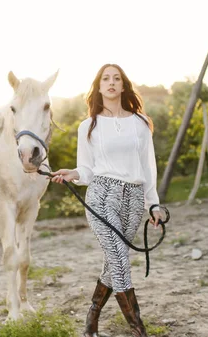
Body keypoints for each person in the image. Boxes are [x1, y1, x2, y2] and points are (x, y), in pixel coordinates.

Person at [51, 63, 162, 337]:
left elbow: (149, 168)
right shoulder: (88, 126)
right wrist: (73, 173)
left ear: (123, 86)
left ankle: (91, 318)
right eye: (105, 79)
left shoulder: (140, 123)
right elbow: (87, 170)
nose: (111, 83)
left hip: (134, 198)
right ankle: (139, 331)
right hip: (102, 196)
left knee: (114, 261)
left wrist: (153, 204)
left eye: (116, 78)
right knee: (120, 261)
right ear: (99, 87)